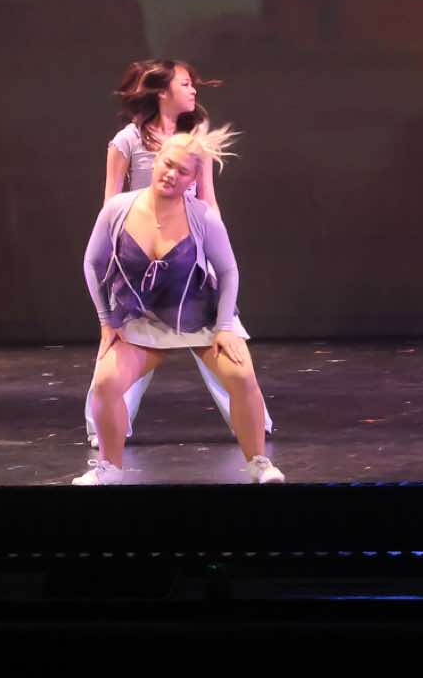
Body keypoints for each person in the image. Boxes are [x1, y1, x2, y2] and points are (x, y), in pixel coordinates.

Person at [77, 125, 282, 485]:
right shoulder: (118, 210)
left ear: (193, 179)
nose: (172, 174)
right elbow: (92, 264)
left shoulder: (203, 216)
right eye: (168, 164)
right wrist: (106, 321)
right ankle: (109, 469)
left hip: (199, 317)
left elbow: (228, 272)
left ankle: (259, 463)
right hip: (141, 320)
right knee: (106, 382)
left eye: (183, 171)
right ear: (156, 160)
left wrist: (224, 327)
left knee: (242, 375)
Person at [91, 58, 270, 445]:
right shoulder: (128, 140)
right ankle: (102, 426)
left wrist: (211, 254)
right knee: (126, 341)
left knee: (217, 335)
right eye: (185, 84)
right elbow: (111, 202)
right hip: (142, 255)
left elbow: (207, 200)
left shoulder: (195, 143)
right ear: (162, 92)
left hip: (187, 252)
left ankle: (253, 420)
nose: (193, 90)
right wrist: (118, 258)